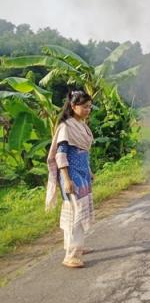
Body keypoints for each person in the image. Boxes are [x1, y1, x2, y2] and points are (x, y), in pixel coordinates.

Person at [45, 90, 95, 268]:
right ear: (73, 106)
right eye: (84, 106)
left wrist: (89, 171)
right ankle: (71, 255)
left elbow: (83, 153)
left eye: (90, 106)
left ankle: (74, 246)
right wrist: (66, 179)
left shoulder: (81, 124)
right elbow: (61, 155)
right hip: (71, 175)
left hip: (82, 174)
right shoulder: (66, 127)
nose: (88, 109)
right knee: (77, 213)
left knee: (74, 211)